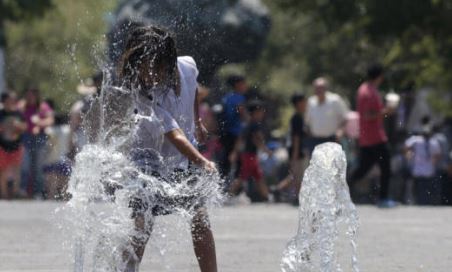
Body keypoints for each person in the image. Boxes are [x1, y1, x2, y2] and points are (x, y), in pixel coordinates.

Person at [114, 26, 218, 271]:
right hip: (148, 160)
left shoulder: (187, 65)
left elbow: (193, 90)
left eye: (153, 67)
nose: (147, 75)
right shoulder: (143, 93)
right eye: (141, 68)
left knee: (200, 219)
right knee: (142, 223)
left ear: (168, 61)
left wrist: (197, 120)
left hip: (183, 158)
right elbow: (173, 133)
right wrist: (201, 160)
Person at [349, 64, 396, 208]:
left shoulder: (365, 89)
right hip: (375, 137)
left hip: (368, 137)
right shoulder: (369, 92)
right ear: (379, 76)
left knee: (363, 169)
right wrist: (386, 110)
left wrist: (384, 111)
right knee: (386, 167)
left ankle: (339, 191)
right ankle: (383, 198)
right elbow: (368, 115)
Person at [229, 100, 271, 201]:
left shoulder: (247, 124)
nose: (262, 114)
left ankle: (267, 196)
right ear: (255, 112)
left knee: (258, 176)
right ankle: (228, 195)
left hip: (249, 154)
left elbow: (240, 139)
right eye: (261, 111)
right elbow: (256, 140)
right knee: (243, 177)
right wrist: (266, 150)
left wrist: (235, 152)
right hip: (249, 155)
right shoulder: (254, 125)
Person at [271, 93, 308, 204]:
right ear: (298, 103)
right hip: (296, 151)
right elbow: (296, 137)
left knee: (293, 175)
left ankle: (276, 189)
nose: (306, 104)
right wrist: (296, 153)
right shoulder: (297, 118)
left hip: (296, 150)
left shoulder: (298, 117)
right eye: (304, 101)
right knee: (297, 175)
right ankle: (297, 197)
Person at [19, 88, 54, 198]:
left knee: (38, 166)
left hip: (40, 138)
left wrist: (39, 123)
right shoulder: (22, 106)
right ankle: (23, 190)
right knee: (25, 164)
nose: (30, 98)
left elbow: (50, 120)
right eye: (28, 95)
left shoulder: (43, 107)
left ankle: (38, 192)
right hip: (26, 137)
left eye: (33, 95)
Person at [305, 77, 348, 154]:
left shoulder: (335, 100)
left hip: (332, 140)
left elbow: (344, 118)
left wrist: (340, 131)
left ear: (326, 88)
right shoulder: (311, 102)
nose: (319, 90)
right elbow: (307, 122)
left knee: (332, 165)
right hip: (315, 141)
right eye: (317, 88)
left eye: (321, 88)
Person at [219, 75, 249, 180]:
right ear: (237, 85)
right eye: (244, 83)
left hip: (226, 132)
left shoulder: (227, 97)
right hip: (236, 133)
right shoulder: (239, 98)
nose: (246, 86)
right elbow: (243, 114)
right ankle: (235, 186)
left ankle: (222, 180)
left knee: (226, 158)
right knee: (239, 160)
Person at [405, 124, 442, 205]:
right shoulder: (419, 141)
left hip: (423, 170)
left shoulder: (430, 142)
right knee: (422, 188)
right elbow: (438, 155)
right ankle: (422, 202)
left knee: (422, 188)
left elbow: (407, 146)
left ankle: (423, 202)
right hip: (422, 169)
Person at [0, 92, 27, 199]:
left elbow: (25, 127)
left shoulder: (18, 113)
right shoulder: (1, 113)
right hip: (2, 146)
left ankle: (15, 192)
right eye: (10, 99)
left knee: (16, 170)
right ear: (5, 101)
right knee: (2, 171)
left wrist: (18, 125)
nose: (12, 102)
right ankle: (4, 193)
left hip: (16, 146)